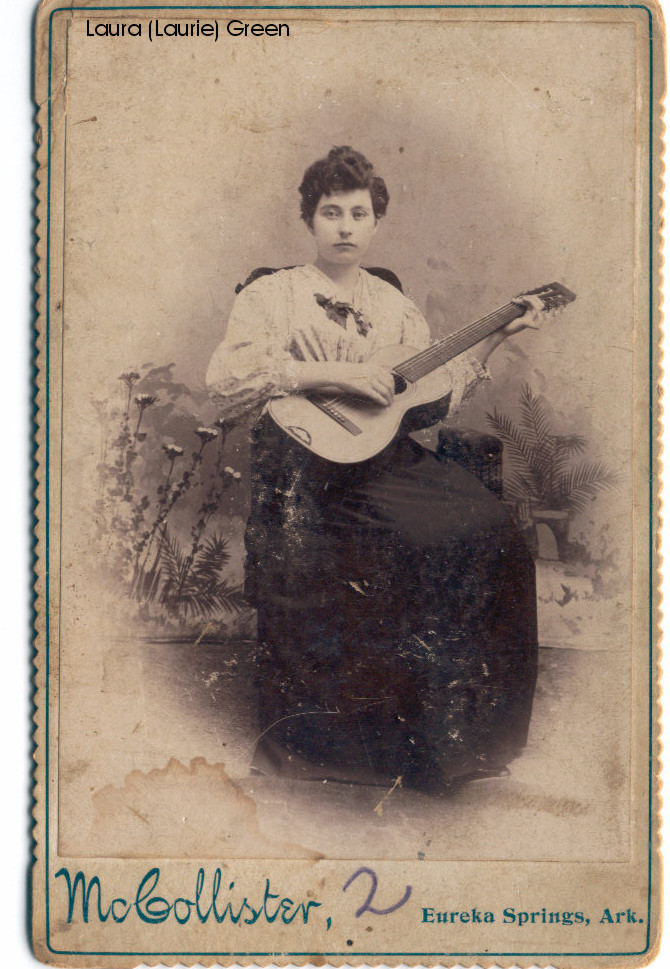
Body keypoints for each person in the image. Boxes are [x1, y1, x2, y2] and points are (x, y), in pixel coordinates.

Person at [207, 146, 541, 795]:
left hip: (384, 460)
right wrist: (337, 373)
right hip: (309, 471)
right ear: (309, 219)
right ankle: (372, 749)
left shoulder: (393, 305)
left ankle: (463, 742)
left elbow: (426, 404)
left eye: (358, 214)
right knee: (417, 545)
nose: (345, 227)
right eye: (331, 212)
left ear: (376, 221)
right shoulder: (273, 294)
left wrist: (499, 336)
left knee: (495, 532)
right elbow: (227, 379)